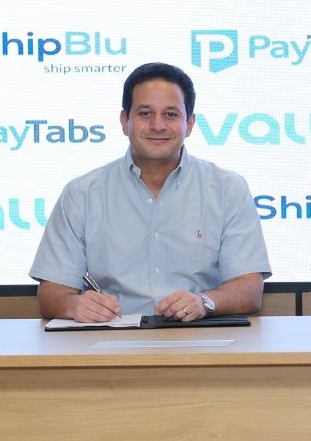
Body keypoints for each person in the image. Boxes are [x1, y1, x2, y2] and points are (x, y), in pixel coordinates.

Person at [30, 62, 271, 322]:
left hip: (199, 334)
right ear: (125, 122)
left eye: (171, 114)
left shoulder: (228, 189)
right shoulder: (82, 194)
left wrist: (204, 302)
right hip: (111, 337)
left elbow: (250, 290)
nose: (158, 125)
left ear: (189, 124)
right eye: (145, 113)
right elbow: (52, 294)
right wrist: (74, 305)